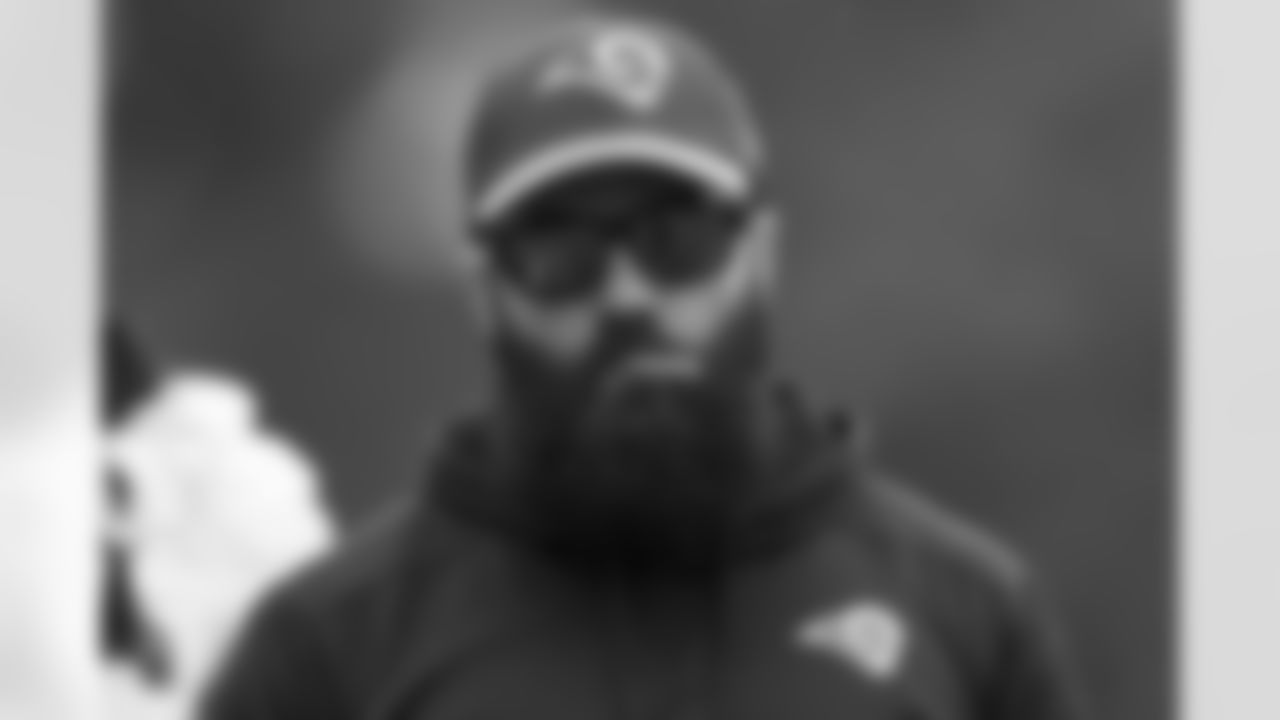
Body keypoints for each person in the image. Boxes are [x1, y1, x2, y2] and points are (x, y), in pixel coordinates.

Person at [201, 15, 1088, 720]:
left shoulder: (969, 614)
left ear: (761, 257)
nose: (627, 296)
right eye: (562, 252)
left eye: (681, 238)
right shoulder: (330, 649)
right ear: (484, 292)